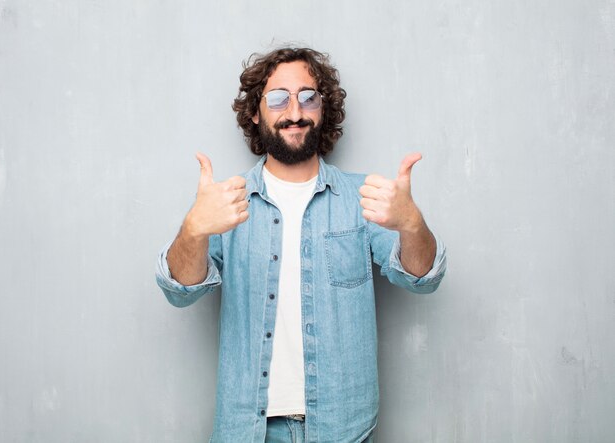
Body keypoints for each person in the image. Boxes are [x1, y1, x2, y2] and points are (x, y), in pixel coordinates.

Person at [156, 47, 447, 443]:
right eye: (278, 98)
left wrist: (412, 224)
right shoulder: (227, 204)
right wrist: (193, 230)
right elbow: (180, 292)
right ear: (256, 112)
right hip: (249, 431)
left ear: (323, 109)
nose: (295, 111)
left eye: (308, 97)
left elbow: (423, 278)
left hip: (344, 429)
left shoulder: (361, 197)